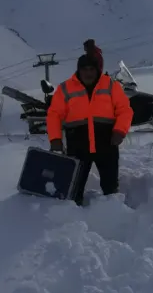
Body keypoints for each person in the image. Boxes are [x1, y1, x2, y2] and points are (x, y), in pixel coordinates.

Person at [47, 53, 133, 205]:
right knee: (74, 187)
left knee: (110, 187)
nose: (88, 73)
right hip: (77, 144)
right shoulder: (65, 88)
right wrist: (55, 139)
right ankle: (73, 219)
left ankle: (114, 214)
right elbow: (54, 115)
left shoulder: (111, 85)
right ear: (78, 70)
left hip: (107, 143)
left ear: (97, 70)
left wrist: (120, 131)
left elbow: (125, 110)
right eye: (84, 69)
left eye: (91, 69)